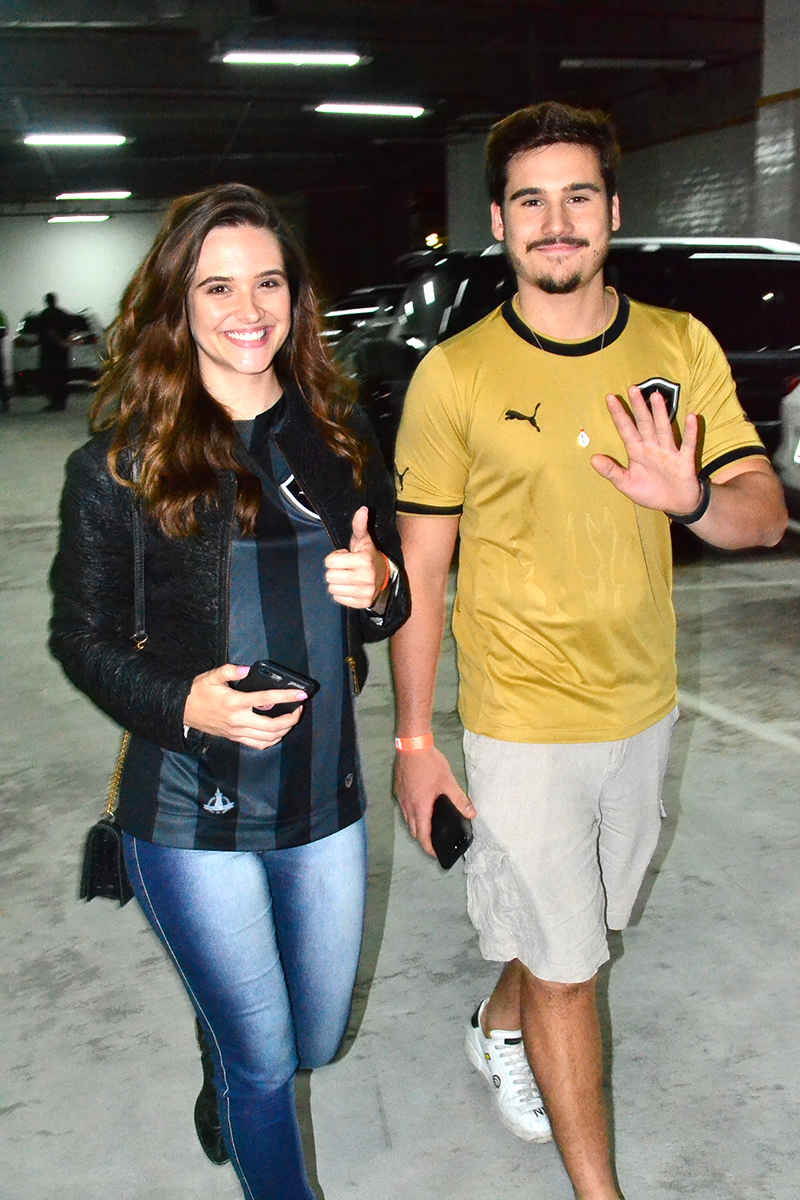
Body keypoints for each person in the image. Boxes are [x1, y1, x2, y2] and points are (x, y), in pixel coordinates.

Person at [391, 102, 787, 1200]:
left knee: (579, 931)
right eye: (530, 200)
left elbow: (758, 516)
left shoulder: (676, 346)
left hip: (642, 709)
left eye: (575, 197)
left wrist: (693, 494)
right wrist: (417, 738)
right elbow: (421, 576)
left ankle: (490, 1024)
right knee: (569, 969)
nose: (554, 222)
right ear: (498, 222)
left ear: (610, 211)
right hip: (520, 721)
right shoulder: (454, 377)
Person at [50, 183, 409, 1200]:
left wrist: (379, 590)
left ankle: (224, 1040)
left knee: (314, 1036)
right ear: (178, 304)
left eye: (267, 283)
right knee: (263, 1064)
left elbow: (390, 597)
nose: (246, 308)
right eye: (216, 286)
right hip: (185, 802)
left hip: (322, 794)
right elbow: (80, 639)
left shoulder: (335, 440)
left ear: (295, 300)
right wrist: (179, 704)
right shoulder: (122, 464)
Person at [37, 292, 73, 411]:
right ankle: (61, 401)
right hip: (62, 352)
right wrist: (65, 342)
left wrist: (58, 342)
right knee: (62, 376)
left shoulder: (45, 314)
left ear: (46, 301)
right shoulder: (63, 314)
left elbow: (48, 331)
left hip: (50, 352)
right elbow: (70, 330)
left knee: (51, 377)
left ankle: (55, 402)